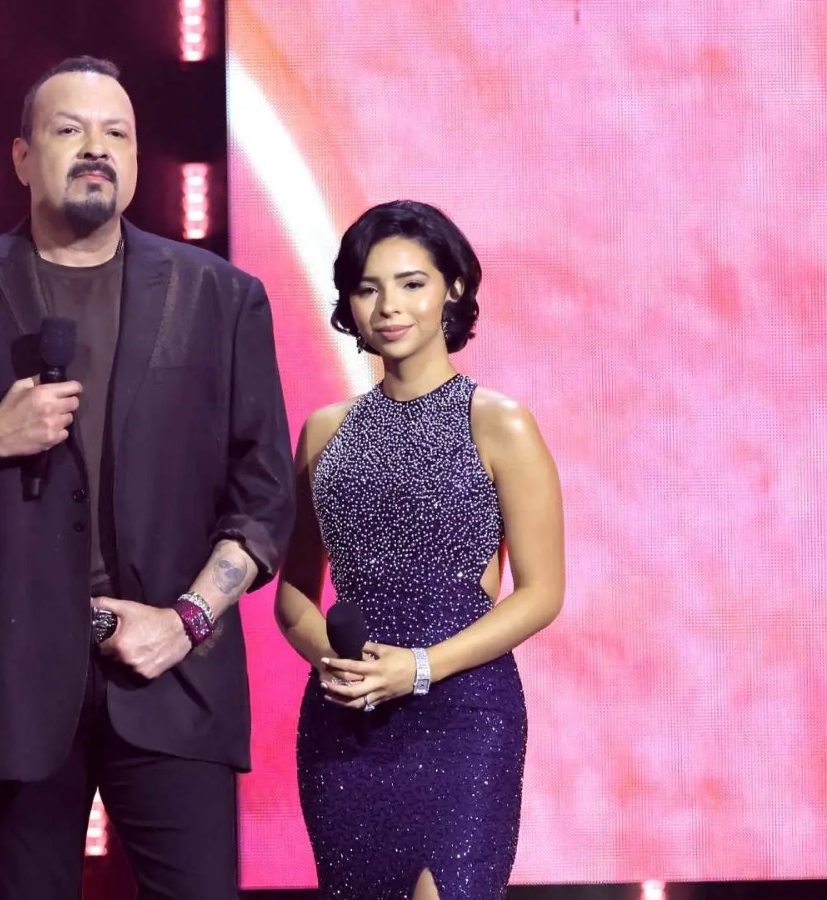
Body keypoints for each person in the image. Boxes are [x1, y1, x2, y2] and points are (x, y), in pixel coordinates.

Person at [0, 56, 293, 900]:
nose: (96, 147)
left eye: (115, 133)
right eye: (69, 129)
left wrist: (187, 620)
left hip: (173, 675)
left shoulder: (220, 296)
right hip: (11, 685)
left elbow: (265, 493)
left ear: (135, 157)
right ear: (22, 158)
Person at [275, 199, 565, 899]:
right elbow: (292, 594)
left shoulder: (499, 423)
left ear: (452, 289)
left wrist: (421, 667)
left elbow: (541, 592)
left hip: (464, 714)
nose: (389, 307)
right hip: (348, 722)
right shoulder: (325, 431)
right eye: (368, 288)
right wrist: (333, 662)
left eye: (411, 283)